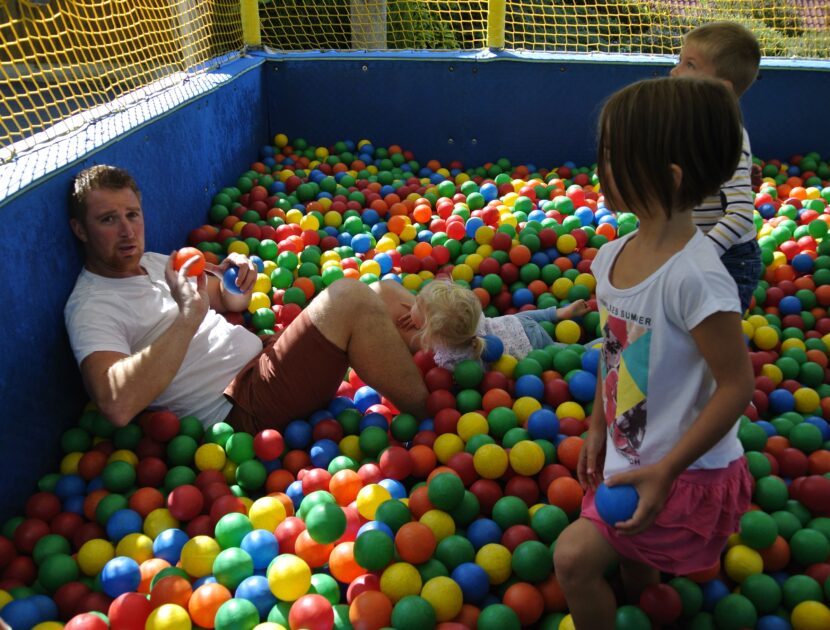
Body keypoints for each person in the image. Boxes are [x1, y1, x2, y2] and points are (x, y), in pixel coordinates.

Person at [552, 77, 755, 629]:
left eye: (615, 156)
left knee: (572, 559)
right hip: (630, 450)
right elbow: (616, 351)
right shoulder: (611, 257)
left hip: (683, 468)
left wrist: (668, 468)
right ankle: (643, 596)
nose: (600, 167)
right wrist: (597, 425)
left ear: (668, 178)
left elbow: (738, 385)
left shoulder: (696, 277)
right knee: (633, 562)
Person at [64, 165, 429, 432]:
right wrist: (188, 318)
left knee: (382, 292)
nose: (127, 231)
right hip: (242, 407)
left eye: (132, 215)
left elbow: (228, 302)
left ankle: (457, 346)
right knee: (349, 297)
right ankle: (431, 419)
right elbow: (117, 403)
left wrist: (234, 276)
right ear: (80, 229)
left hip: (266, 360)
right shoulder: (92, 306)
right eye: (108, 220)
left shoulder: (155, 262)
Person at [670, 21, 763, 313]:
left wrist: (699, 255)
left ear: (719, 90)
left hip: (727, 259)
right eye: (679, 60)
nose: (674, 71)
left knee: (711, 338)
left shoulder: (726, 135)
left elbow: (740, 215)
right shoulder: (684, 127)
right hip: (686, 248)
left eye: (690, 65)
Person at [375, 278, 590, 369]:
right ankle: (560, 313)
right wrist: (420, 318)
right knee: (530, 322)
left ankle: (596, 347)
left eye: (416, 304)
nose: (409, 304)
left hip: (533, 347)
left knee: (573, 354)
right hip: (519, 323)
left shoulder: (451, 359)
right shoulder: (468, 321)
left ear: (433, 334)